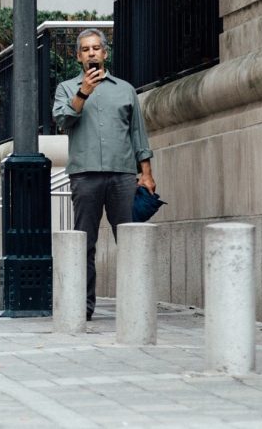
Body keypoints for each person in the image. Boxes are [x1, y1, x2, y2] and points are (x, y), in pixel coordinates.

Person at [52, 28, 155, 322]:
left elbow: (138, 133)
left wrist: (146, 173)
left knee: (130, 239)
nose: (92, 53)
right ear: (78, 56)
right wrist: (83, 92)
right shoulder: (66, 88)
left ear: (105, 53)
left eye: (96, 48)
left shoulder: (125, 89)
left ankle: (137, 302)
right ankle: (83, 306)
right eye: (85, 49)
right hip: (84, 176)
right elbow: (62, 120)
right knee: (85, 241)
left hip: (122, 174)